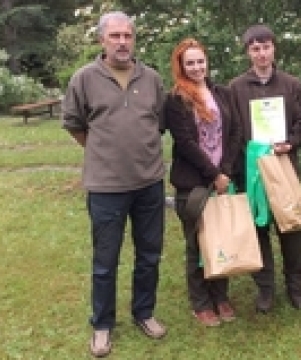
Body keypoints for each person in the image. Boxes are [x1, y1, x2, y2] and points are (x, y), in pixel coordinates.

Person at [61, 11, 167, 358]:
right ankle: (103, 324)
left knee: (149, 255)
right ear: (102, 40)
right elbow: (75, 124)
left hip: (149, 182)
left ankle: (144, 313)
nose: (122, 42)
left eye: (127, 36)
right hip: (106, 186)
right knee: (105, 261)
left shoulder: (151, 78)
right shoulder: (84, 78)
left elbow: (159, 122)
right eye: (115, 36)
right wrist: (103, 151)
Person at [229, 24, 301, 313]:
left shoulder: (292, 84)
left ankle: (295, 286)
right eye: (255, 48)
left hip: (284, 166)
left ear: (274, 48)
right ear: (248, 52)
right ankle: (265, 288)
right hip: (252, 172)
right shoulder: (236, 88)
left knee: (291, 230)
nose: (261, 53)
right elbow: (233, 129)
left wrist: (290, 142)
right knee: (259, 229)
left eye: (266, 47)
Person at [164, 38, 241, 327]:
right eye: (190, 63)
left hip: (222, 178)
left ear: (206, 61)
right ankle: (201, 302)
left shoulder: (222, 92)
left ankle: (220, 296)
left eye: (200, 61)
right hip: (193, 183)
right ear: (181, 67)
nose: (197, 67)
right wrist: (214, 174)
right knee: (197, 243)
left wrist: (226, 171)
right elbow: (184, 143)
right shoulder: (176, 99)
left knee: (221, 239)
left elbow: (235, 133)